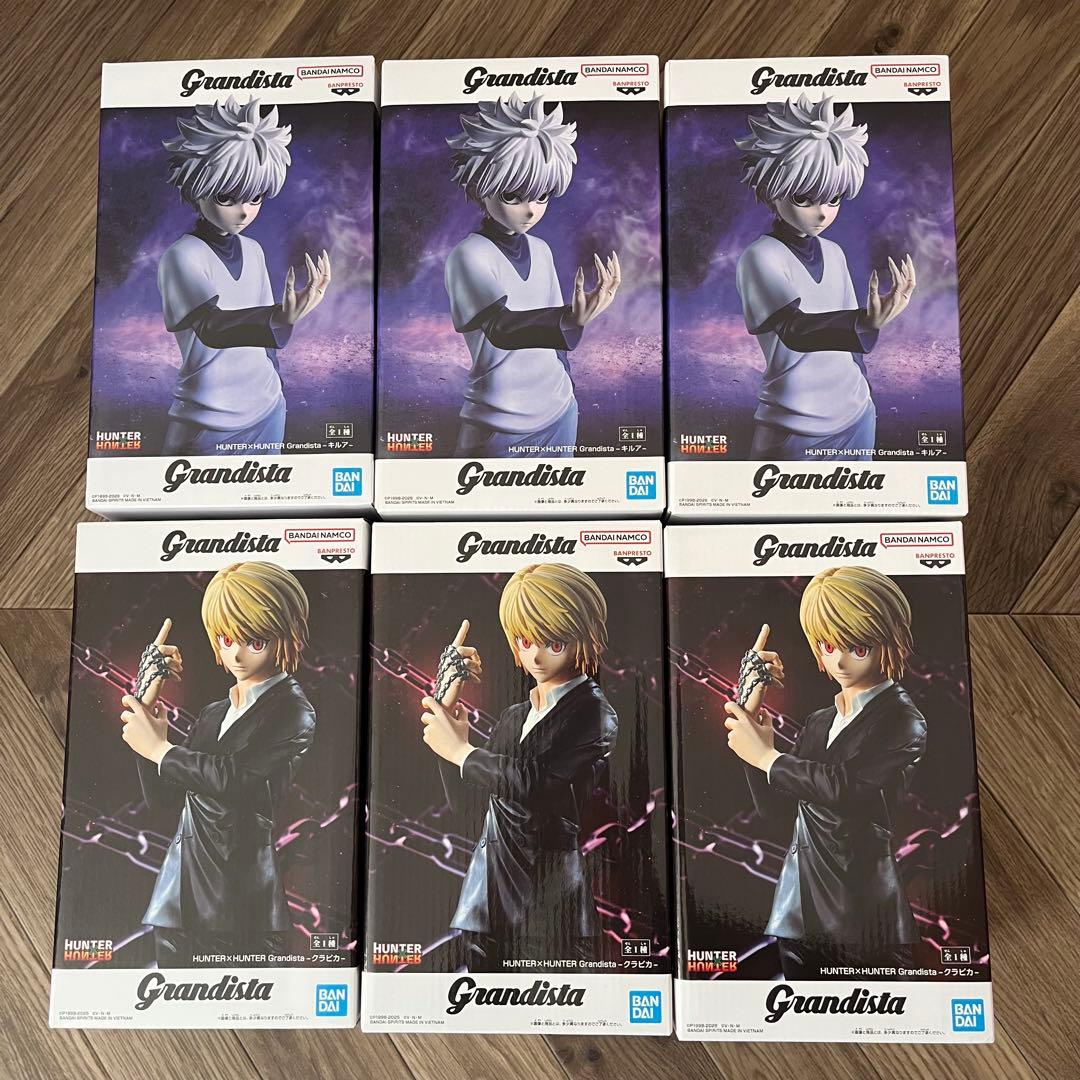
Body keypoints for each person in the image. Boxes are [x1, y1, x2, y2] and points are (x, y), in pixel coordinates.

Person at [723, 566, 926, 978]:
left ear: (889, 639)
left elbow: (844, 788)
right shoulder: (820, 722)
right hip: (797, 914)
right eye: (829, 645)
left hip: (864, 920)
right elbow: (778, 810)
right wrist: (752, 723)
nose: (840, 659)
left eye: (859, 647)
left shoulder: (902, 719)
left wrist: (768, 757)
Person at [418, 563, 617, 970]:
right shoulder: (514, 716)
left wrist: (462, 751)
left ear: (584, 637)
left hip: (549, 904)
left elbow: (535, 783)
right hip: (486, 899)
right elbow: (468, 803)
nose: (536, 655)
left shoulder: (593, 712)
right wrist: (450, 730)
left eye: (554, 642)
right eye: (526, 640)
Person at [118, 561, 315, 968]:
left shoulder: (293, 710)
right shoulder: (213, 713)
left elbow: (235, 779)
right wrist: (148, 719)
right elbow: (165, 799)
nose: (236, 653)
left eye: (254, 640)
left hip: (240, 906)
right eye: (226, 639)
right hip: (176, 900)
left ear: (286, 634)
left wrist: (161, 750)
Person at [735, 95, 917, 461]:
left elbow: (850, 348)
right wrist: (865, 321)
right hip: (793, 423)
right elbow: (795, 330)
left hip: (857, 412)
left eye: (833, 199)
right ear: (772, 192)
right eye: (805, 198)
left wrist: (865, 382)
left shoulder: (834, 252)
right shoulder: (761, 256)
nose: (822, 213)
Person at [444, 93, 621, 457]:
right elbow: (501, 328)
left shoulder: (541, 250)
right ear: (479, 188)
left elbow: (556, 344)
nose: (530, 211)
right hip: (498, 419)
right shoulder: (469, 254)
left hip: (559, 409)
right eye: (514, 196)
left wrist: (567, 379)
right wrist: (570, 318)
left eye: (542, 197)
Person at [158, 95, 332, 455]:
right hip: (206, 417)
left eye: (255, 198)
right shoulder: (182, 256)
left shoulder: (254, 250)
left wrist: (277, 372)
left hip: (268, 407)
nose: (244, 212)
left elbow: (265, 343)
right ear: (196, 188)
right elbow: (212, 327)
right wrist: (279, 317)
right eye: (227, 197)